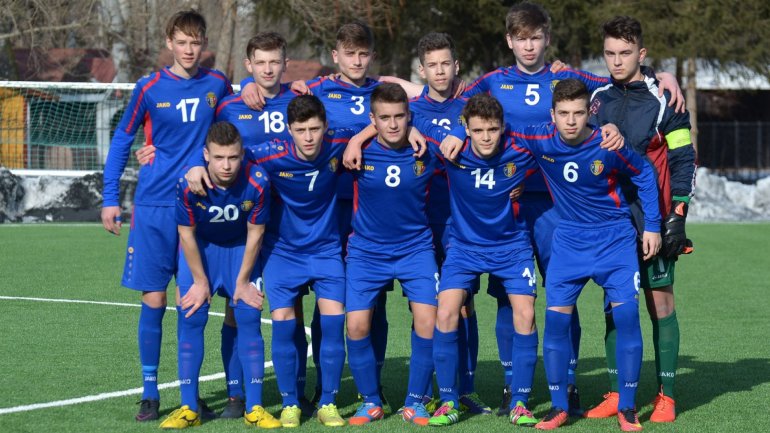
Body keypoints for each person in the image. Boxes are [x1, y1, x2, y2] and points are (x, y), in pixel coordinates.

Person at [187, 94, 354, 428]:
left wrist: (365, 139)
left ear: (326, 127)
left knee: (335, 322)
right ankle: (290, 402)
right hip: (282, 252)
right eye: (301, 129)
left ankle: (328, 402)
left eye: (315, 128)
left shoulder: (340, 141)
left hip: (326, 250)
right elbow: (227, 157)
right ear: (288, 129)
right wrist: (194, 164)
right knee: (282, 322)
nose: (308, 136)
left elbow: (377, 128)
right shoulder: (268, 154)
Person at [506, 79, 661, 431]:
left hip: (615, 240)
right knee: (557, 321)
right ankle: (559, 406)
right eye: (563, 114)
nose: (571, 121)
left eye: (578, 113)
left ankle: (628, 406)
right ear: (552, 115)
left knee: (626, 319)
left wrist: (651, 225)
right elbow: (490, 127)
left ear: (589, 112)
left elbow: (644, 174)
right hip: (570, 241)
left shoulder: (609, 143)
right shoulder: (538, 138)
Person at [100, 9, 232, 422]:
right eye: (182, 42)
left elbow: (237, 128)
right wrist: (109, 198)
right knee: (154, 298)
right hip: (154, 205)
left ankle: (191, 397)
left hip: (199, 207)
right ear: (169, 43)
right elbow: (124, 139)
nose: (189, 50)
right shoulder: (149, 87)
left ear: (203, 44)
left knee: (192, 300)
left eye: (196, 42)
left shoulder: (218, 84)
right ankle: (151, 391)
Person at [583, 16, 696, 424]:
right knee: (615, 306)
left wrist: (677, 215)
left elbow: (684, 159)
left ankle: (668, 394)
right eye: (610, 53)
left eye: (625, 53)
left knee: (659, 304)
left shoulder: (666, 99)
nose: (616, 60)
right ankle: (616, 391)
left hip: (654, 218)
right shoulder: (596, 99)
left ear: (641, 54)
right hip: (609, 223)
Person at [426, 94, 539, 427]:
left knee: (526, 312)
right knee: (445, 312)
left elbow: (550, 136)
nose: (486, 137)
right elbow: (415, 121)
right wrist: (457, 134)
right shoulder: (452, 151)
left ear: (502, 128)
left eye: (492, 129)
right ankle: (449, 401)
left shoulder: (520, 151)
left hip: (512, 247)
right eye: (478, 130)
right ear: (467, 129)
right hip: (464, 247)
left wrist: (525, 181)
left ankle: (519, 401)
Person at [159, 121, 280, 429]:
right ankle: (189, 408)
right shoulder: (187, 185)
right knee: (191, 314)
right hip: (203, 252)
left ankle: (253, 406)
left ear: (242, 155)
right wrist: (200, 282)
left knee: (250, 316)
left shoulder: (257, 182)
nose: (226, 165)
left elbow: (256, 234)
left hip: (241, 251)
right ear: (206, 156)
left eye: (233, 158)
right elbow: (185, 234)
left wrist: (242, 282)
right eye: (219, 158)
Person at [344, 83, 448, 426]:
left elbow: (465, 130)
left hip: (415, 248)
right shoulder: (354, 149)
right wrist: (358, 138)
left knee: (428, 322)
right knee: (357, 325)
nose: (392, 125)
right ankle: (370, 401)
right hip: (366, 251)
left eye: (400, 117)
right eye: (384, 118)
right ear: (372, 119)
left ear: (409, 116)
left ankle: (415, 401)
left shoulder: (427, 150)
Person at [212, 31, 301, 419]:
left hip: (290, 223)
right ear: (249, 65)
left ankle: (295, 391)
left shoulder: (301, 102)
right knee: (237, 305)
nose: (267, 69)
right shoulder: (231, 106)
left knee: (290, 304)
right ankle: (236, 394)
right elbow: (209, 150)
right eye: (259, 63)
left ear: (285, 63)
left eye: (274, 61)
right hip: (242, 222)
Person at [405, 32, 490, 415]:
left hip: (462, 223)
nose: (440, 71)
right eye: (432, 65)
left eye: (446, 63)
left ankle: (463, 389)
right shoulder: (410, 113)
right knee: (423, 308)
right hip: (421, 223)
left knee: (463, 304)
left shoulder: (474, 107)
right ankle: (425, 390)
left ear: (456, 66)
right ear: (421, 70)